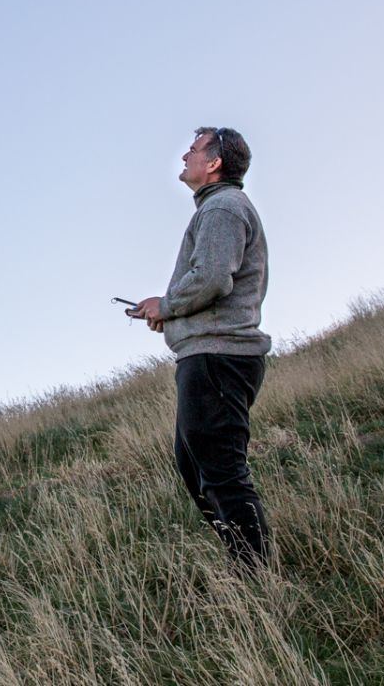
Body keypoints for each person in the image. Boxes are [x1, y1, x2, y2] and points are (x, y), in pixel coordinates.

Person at [133, 127, 272, 570]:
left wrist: (168, 304)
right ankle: (244, 562)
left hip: (219, 358)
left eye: (194, 150)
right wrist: (171, 315)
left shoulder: (224, 208)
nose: (185, 156)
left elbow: (213, 279)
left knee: (222, 472)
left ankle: (255, 575)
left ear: (214, 163)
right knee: (195, 466)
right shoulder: (217, 210)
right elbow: (213, 284)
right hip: (208, 354)